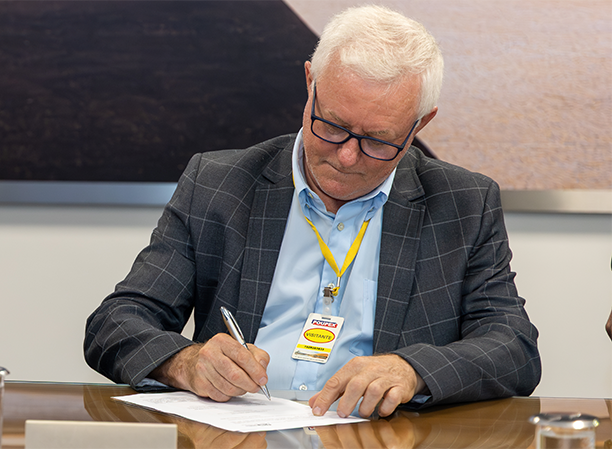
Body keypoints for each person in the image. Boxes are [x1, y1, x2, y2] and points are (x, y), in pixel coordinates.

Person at [84, 5, 541, 418]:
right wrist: (185, 363)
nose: (347, 156)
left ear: (420, 123)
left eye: (378, 141)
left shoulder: (463, 203)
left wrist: (412, 370)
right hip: (239, 434)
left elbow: (514, 347)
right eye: (332, 126)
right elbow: (115, 322)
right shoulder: (219, 184)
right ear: (310, 83)